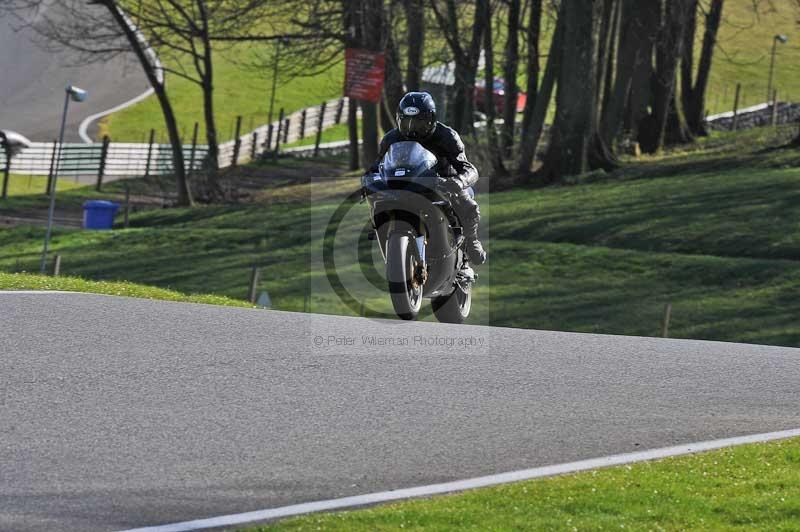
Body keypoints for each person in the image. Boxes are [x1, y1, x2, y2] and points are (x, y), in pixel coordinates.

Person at [366, 91, 486, 265]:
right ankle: (386, 235)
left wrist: (458, 181)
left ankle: (471, 239)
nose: (411, 128)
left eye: (419, 122)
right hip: (404, 184)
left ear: (432, 119)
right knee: (375, 196)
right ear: (398, 119)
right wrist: (369, 180)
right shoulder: (391, 139)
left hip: (442, 183)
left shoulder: (447, 136)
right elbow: (376, 167)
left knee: (467, 200)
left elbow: (468, 168)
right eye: (406, 121)